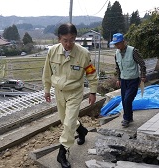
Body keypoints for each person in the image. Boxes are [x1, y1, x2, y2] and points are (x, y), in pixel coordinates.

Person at [42, 23, 98, 168]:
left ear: (75, 38)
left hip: (75, 92)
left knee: (68, 123)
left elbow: (91, 74)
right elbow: (47, 72)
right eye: (65, 40)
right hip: (59, 92)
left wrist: (92, 91)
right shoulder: (52, 52)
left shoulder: (84, 54)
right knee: (65, 120)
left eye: (72, 39)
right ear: (59, 39)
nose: (69, 44)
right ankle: (82, 130)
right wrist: (47, 89)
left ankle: (62, 153)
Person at [110, 33, 146, 128]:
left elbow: (142, 63)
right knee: (124, 100)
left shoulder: (133, 51)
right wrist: (119, 79)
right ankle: (129, 117)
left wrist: (143, 75)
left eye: (118, 43)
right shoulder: (116, 53)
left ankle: (126, 118)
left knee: (127, 99)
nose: (116, 46)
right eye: (115, 44)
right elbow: (118, 67)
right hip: (124, 80)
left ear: (123, 42)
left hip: (133, 80)